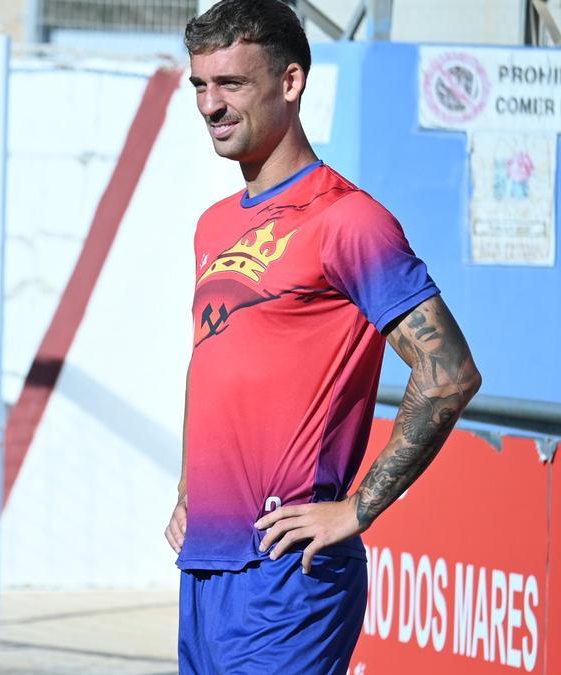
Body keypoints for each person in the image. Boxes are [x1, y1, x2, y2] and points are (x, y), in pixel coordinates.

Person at [165, 1, 482, 672]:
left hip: (291, 573)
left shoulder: (349, 219)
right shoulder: (213, 224)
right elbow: (210, 357)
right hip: (205, 567)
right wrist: (189, 488)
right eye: (199, 84)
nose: (209, 105)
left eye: (231, 84)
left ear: (290, 82)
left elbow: (448, 371)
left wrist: (355, 509)